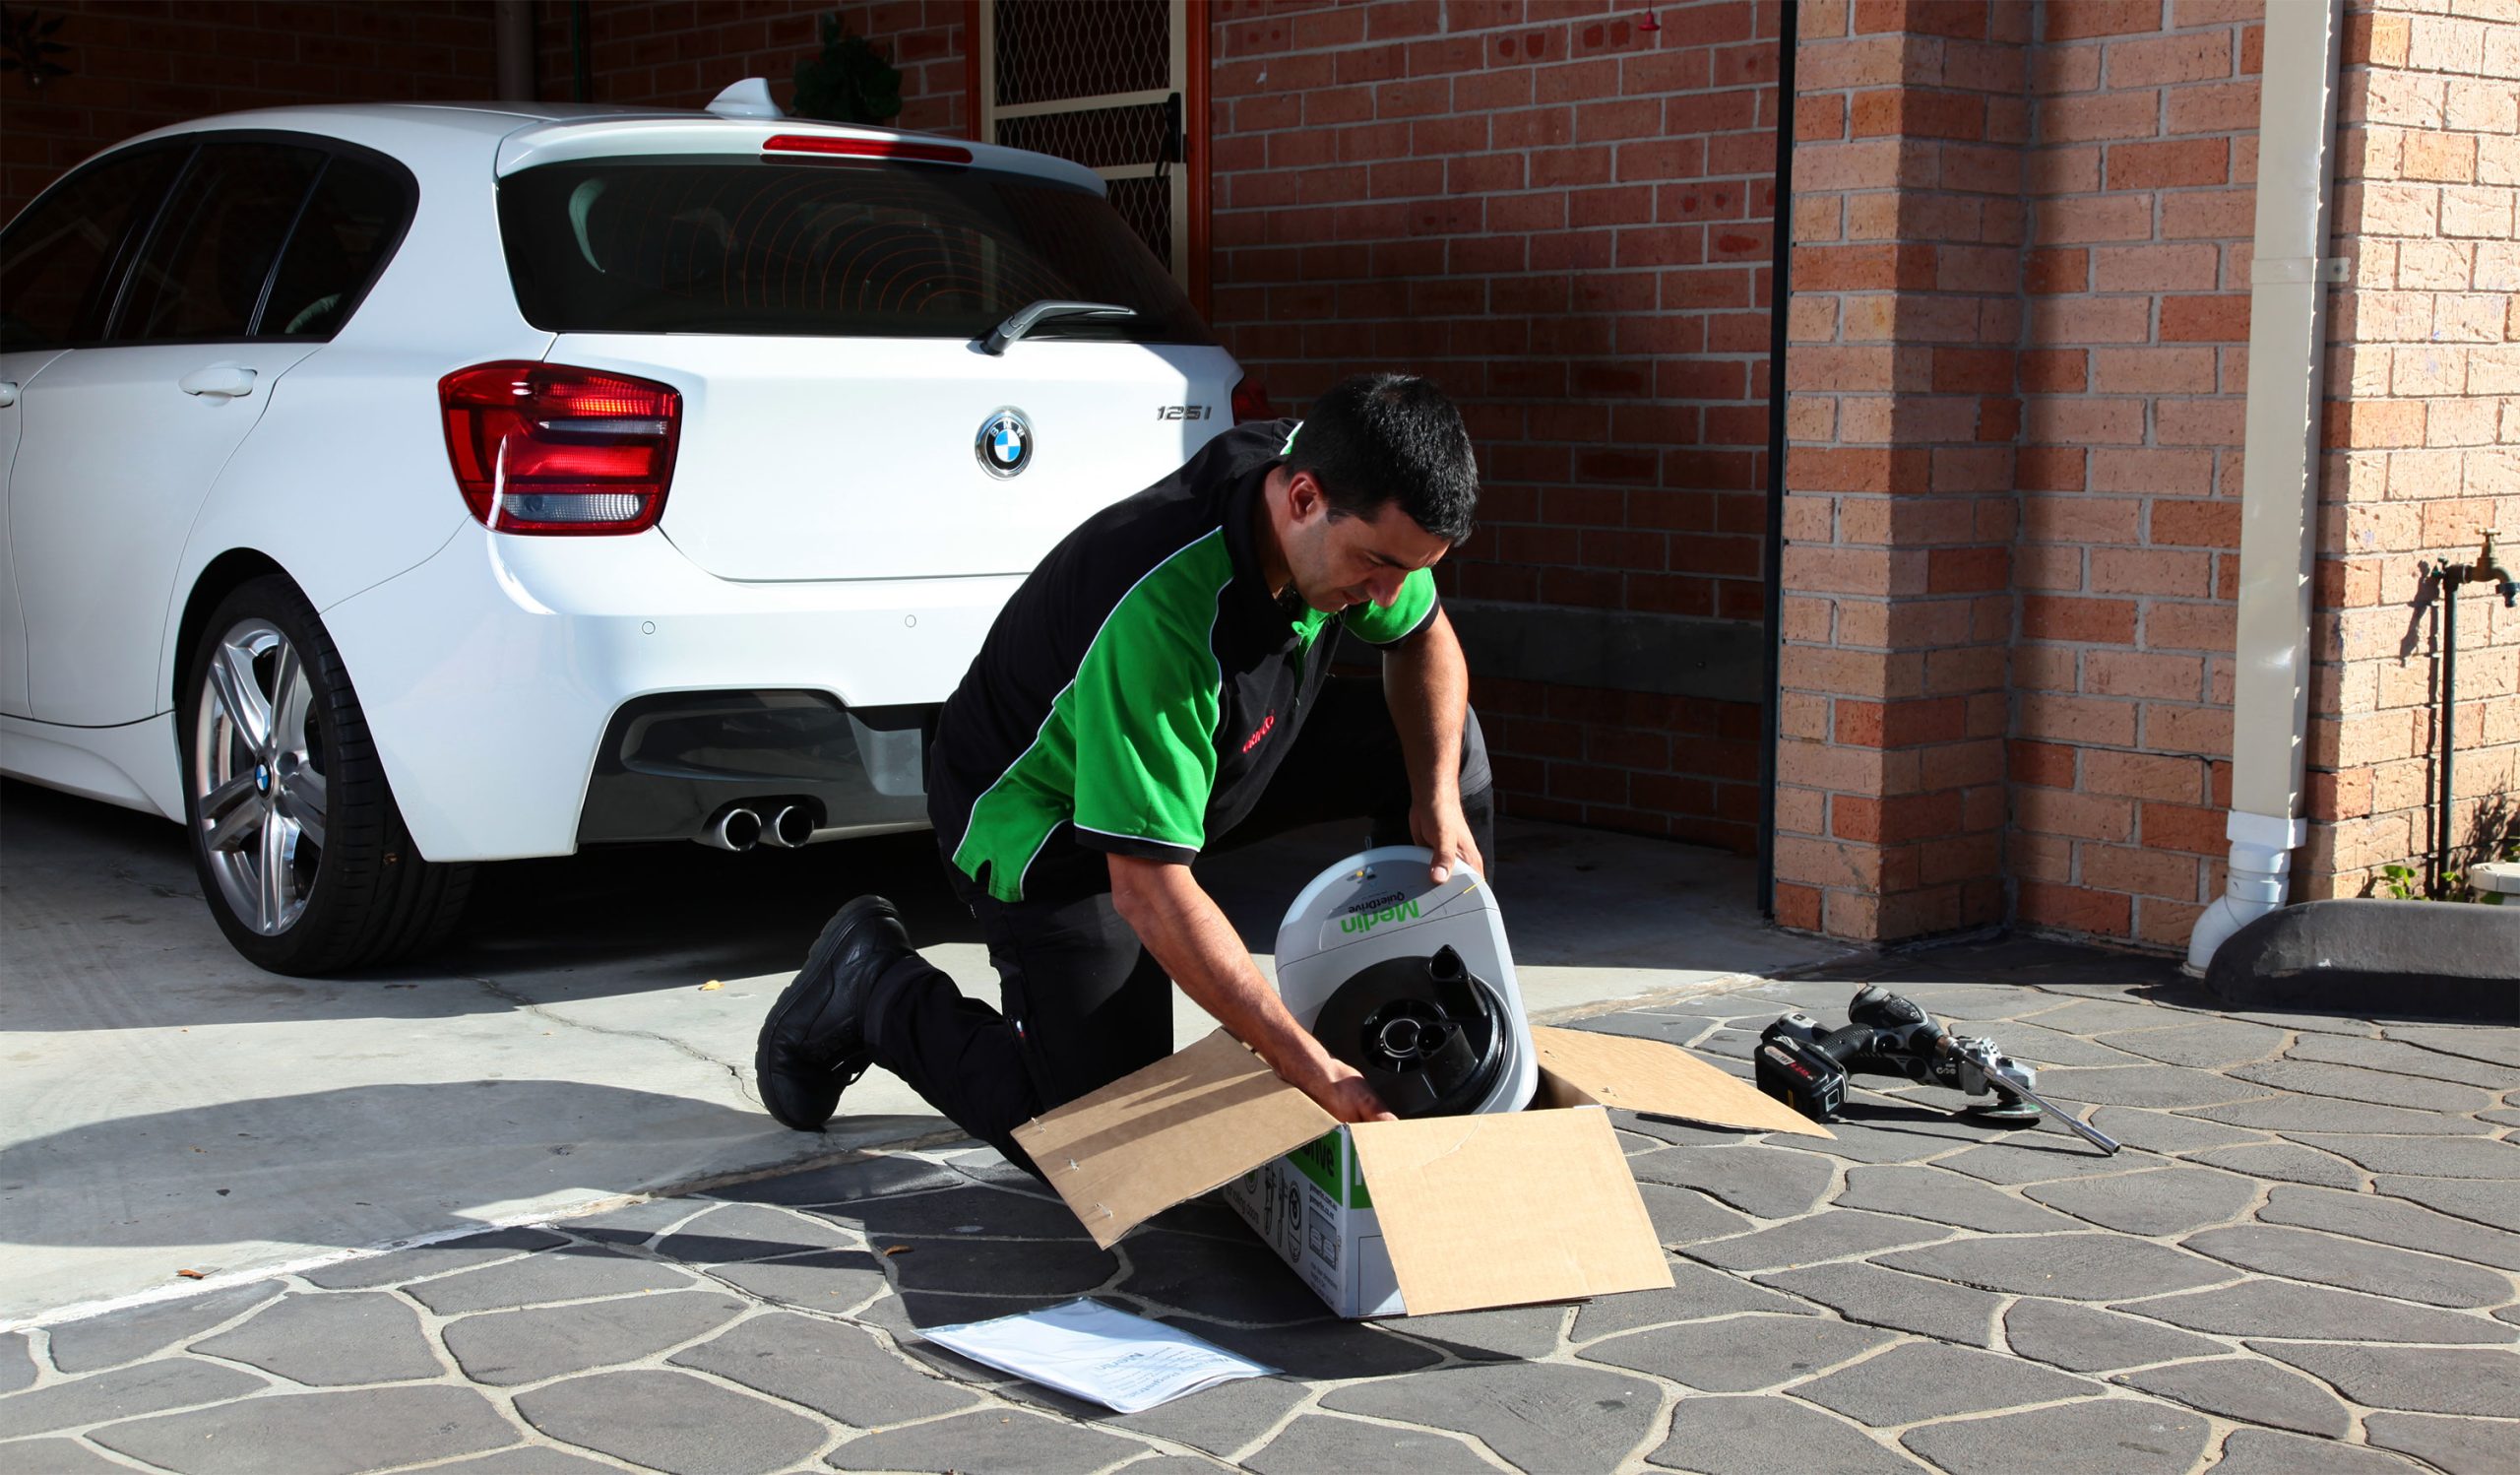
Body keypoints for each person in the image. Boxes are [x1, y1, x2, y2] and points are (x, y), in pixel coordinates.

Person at [752, 372, 1493, 1172]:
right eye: (1377, 565)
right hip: (1045, 819)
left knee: (1443, 745)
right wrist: (1310, 1069)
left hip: (1201, 761)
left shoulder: (1329, 481)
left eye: (1410, 567)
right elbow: (1151, 892)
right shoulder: (1163, 616)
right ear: (1303, 499)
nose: (1388, 592)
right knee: (1100, 1146)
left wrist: (1437, 799)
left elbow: (1426, 637)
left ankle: (1423, 1007)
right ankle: (871, 988)